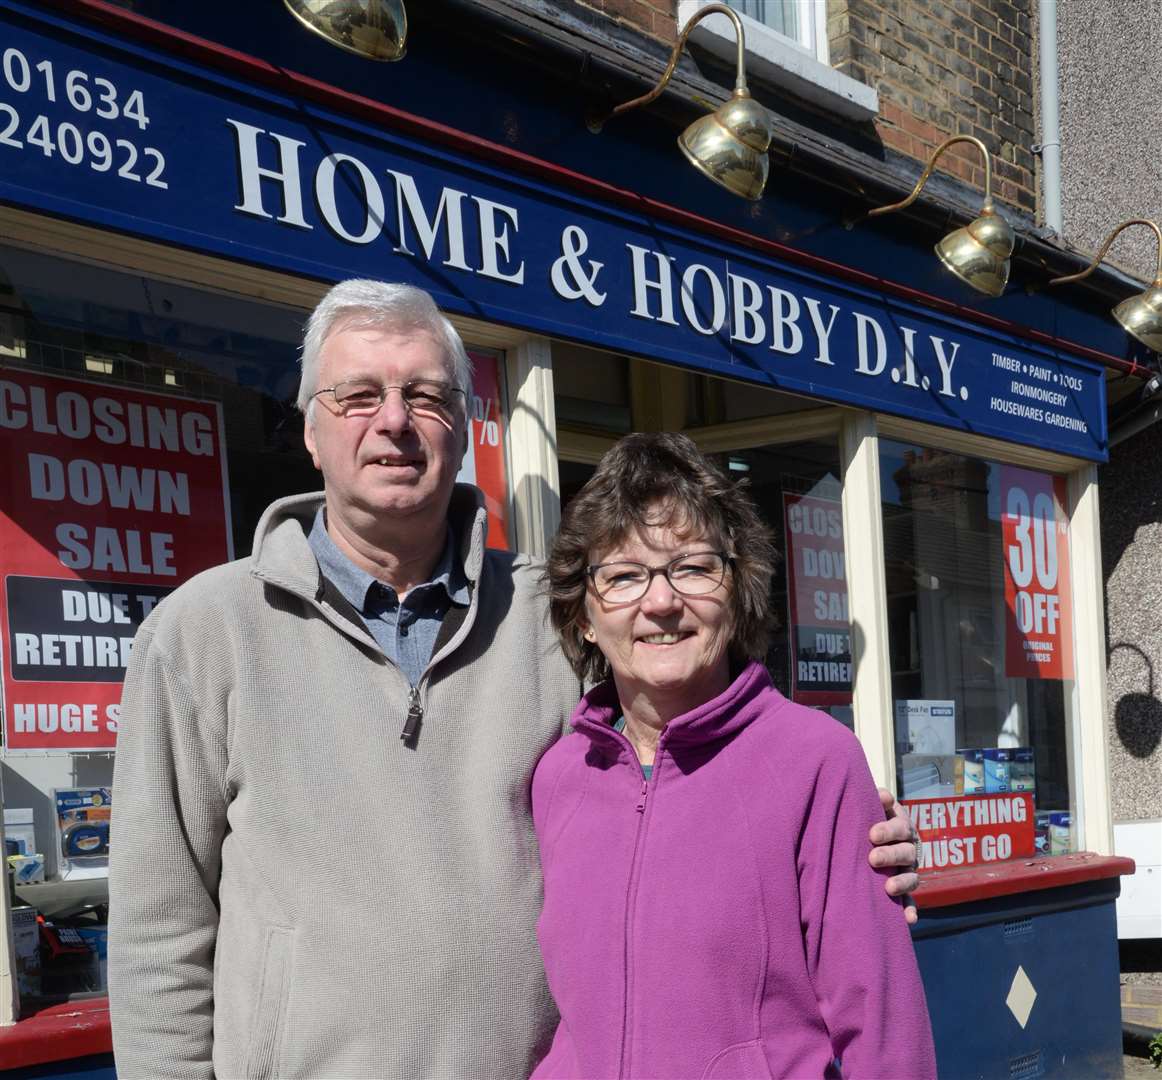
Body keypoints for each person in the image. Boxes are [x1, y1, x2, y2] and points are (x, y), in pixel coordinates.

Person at [108, 280, 922, 1079]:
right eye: (358, 395)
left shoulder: (551, 616)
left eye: (425, 395)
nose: (394, 420)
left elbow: (696, 736)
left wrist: (856, 839)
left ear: (463, 426)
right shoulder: (202, 634)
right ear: (311, 429)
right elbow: (158, 941)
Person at [533, 432, 937, 1079]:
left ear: (737, 589)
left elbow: (884, 1030)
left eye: (693, 567)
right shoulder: (558, 776)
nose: (661, 602)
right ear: (584, 614)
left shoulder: (817, 762)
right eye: (624, 575)